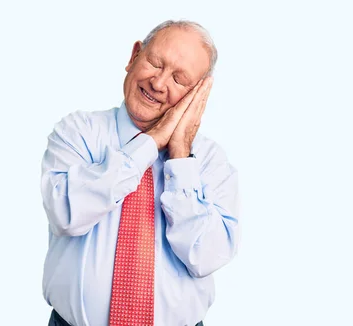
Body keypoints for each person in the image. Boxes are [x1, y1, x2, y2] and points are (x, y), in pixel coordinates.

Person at [40, 20, 240, 326]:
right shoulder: (77, 132)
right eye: (155, 63)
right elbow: (66, 213)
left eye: (179, 79)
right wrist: (149, 145)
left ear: (198, 95)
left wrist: (180, 158)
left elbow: (207, 256)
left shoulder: (212, 162)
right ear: (134, 56)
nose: (158, 84)